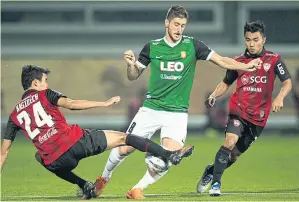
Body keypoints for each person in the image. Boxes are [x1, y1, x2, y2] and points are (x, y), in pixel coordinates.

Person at [95, 5, 262, 199]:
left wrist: (246, 66)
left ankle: (137, 188)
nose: (179, 29)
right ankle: (103, 178)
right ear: (167, 23)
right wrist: (131, 65)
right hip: (151, 109)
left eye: (183, 25)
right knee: (125, 147)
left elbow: (222, 60)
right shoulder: (152, 46)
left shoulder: (193, 45)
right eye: (176, 24)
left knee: (172, 155)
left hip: (177, 114)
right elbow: (133, 76)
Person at [0, 65, 194, 200]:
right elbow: (72, 104)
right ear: (35, 83)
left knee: (40, 157)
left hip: (58, 161)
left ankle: (84, 185)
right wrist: (104, 103)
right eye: (45, 81)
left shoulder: (14, 115)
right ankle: (169, 154)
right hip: (75, 144)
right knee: (124, 138)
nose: (47, 85)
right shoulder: (45, 94)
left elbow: (4, 152)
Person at [196, 20, 292, 196]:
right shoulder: (239, 61)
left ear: (264, 39)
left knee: (233, 156)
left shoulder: (274, 59)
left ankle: (211, 171)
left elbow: (287, 82)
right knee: (229, 141)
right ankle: (216, 185)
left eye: (255, 39)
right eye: (248, 40)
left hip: (259, 118)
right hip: (238, 111)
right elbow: (226, 83)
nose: (252, 44)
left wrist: (280, 97)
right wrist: (213, 95)